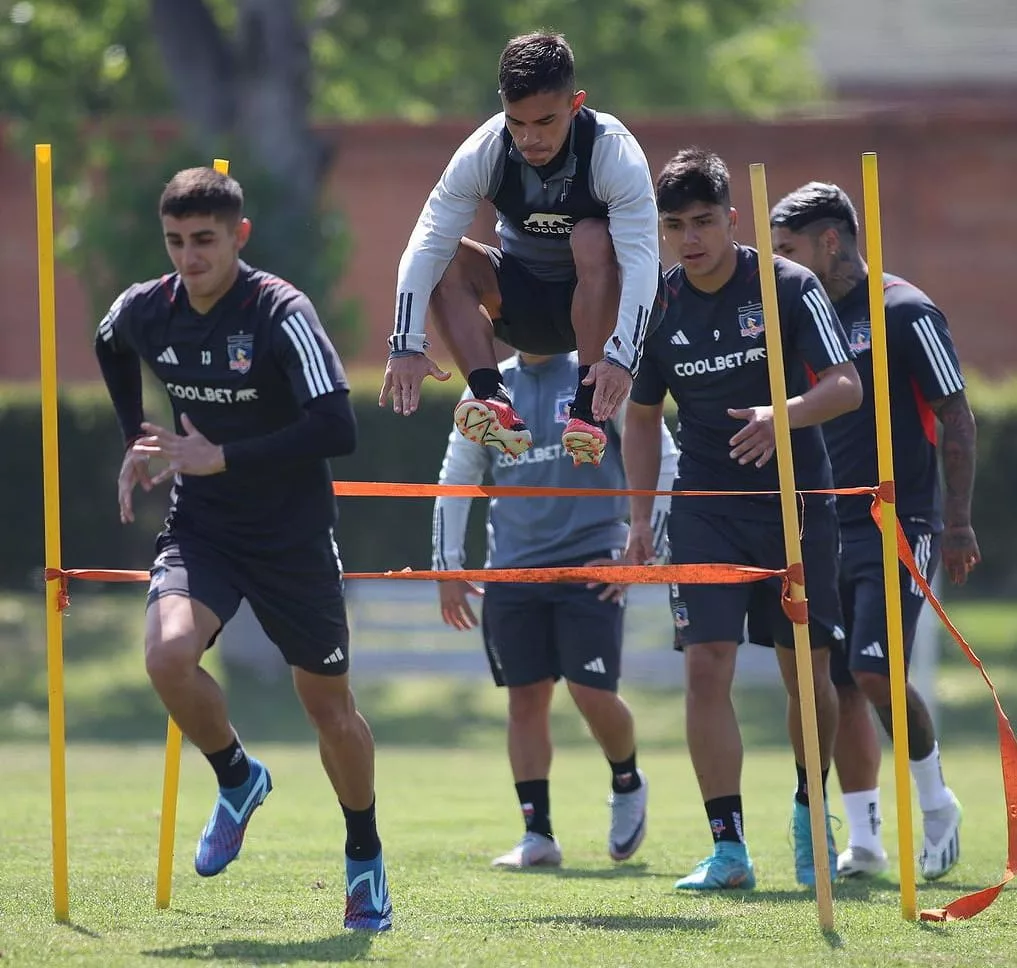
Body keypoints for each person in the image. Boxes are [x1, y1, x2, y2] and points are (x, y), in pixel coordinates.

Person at [94, 167, 392, 931]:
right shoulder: (150, 308)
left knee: (329, 710)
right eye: (175, 243)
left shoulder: (279, 311)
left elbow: (338, 429)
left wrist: (225, 454)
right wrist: (137, 432)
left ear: (238, 237)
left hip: (292, 537)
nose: (188, 259)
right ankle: (238, 777)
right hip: (205, 530)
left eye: (204, 241)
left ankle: (364, 859)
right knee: (166, 657)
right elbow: (108, 338)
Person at [623, 148, 863, 891]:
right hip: (703, 510)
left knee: (806, 671)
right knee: (705, 666)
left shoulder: (787, 286)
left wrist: (778, 414)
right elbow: (638, 417)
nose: (689, 238)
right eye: (673, 226)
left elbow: (846, 387)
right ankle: (727, 847)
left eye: (702, 222)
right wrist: (640, 518)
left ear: (731, 219)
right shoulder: (654, 302)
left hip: (794, 507)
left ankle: (806, 807)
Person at [771, 182, 976, 880]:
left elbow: (955, 413)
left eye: (790, 250)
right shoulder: (800, 314)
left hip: (900, 517)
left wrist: (956, 523)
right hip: (825, 519)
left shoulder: (904, 310)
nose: (783, 266)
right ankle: (863, 838)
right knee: (835, 682)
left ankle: (936, 800)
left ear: (831, 241)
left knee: (871, 668)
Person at [432, 350, 678, 867]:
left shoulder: (599, 372)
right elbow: (456, 479)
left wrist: (643, 546)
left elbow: (660, 451)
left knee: (592, 692)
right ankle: (537, 834)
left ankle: (628, 781)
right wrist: (448, 567)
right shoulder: (488, 385)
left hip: (592, 563)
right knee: (524, 701)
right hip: (513, 571)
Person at [380, 31, 666, 469]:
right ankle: (491, 400)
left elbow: (642, 261)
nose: (529, 139)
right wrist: (405, 344)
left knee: (591, 234)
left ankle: (586, 411)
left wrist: (622, 358)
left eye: (545, 122)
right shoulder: (486, 150)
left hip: (598, 310)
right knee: (448, 255)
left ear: (576, 103)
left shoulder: (612, 151)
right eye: (517, 122)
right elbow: (425, 241)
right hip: (521, 309)